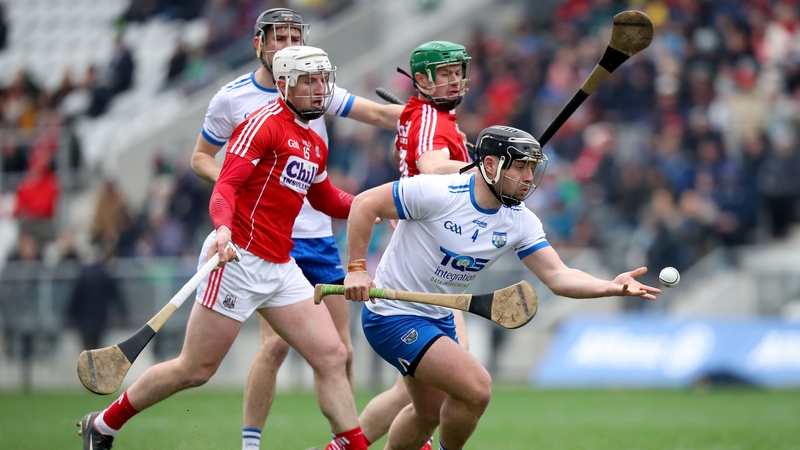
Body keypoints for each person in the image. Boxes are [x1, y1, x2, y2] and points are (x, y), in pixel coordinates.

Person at [78, 46, 369, 450]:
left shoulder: (314, 139)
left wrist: (375, 206)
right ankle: (105, 424)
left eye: (323, 79)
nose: (321, 89)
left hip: (280, 266)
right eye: (309, 80)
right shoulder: (262, 125)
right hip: (236, 258)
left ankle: (350, 444)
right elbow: (226, 186)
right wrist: (222, 230)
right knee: (194, 369)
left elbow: (324, 199)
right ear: (284, 84)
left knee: (333, 355)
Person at [343, 125, 661, 450]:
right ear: (491, 165)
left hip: (437, 317)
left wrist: (610, 286)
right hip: (391, 314)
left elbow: (558, 275)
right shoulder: (438, 192)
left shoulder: (518, 220)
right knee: (476, 388)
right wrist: (356, 269)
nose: (528, 177)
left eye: (532, 168)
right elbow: (365, 204)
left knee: (427, 415)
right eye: (520, 166)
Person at [188, 8, 402, 449]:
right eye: (279, 37)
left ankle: (341, 442)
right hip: (263, 236)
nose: (288, 45)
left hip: (318, 237)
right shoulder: (232, 99)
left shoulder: (316, 87)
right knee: (276, 347)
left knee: (339, 350)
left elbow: (381, 117)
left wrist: (427, 122)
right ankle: (251, 444)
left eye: (294, 36)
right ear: (259, 44)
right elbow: (201, 159)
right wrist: (242, 185)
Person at [338, 40, 475, 450]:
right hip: (428, 260)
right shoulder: (431, 120)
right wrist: (489, 166)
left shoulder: (424, 115)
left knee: (415, 392)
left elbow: (389, 115)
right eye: (445, 73)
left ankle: (343, 447)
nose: (455, 80)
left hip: (432, 254)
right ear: (422, 80)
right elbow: (434, 168)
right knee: (456, 380)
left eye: (458, 71)